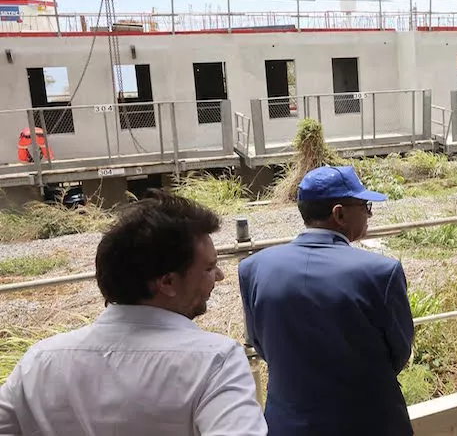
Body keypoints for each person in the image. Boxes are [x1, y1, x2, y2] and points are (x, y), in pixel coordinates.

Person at [0, 191, 267, 436]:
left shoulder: (41, 361)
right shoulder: (216, 362)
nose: (219, 276)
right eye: (209, 268)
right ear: (167, 283)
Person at [238, 165, 414, 435]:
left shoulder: (253, 267)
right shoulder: (381, 272)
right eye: (365, 206)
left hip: (289, 423)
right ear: (339, 214)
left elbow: (259, 342)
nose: (369, 214)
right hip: (368, 422)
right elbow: (399, 352)